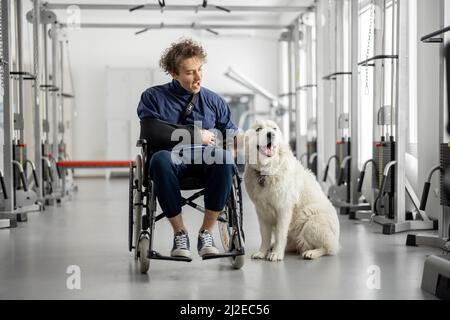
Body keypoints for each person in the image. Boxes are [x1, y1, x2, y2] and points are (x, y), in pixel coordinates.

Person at [137, 38, 240, 258]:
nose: (198, 76)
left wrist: (231, 151)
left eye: (200, 69)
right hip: (170, 163)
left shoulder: (214, 101)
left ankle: (206, 233)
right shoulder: (153, 97)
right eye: (190, 72)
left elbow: (231, 135)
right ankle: (180, 233)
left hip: (207, 163)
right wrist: (196, 135)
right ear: (174, 74)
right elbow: (151, 132)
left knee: (223, 157)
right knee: (160, 159)